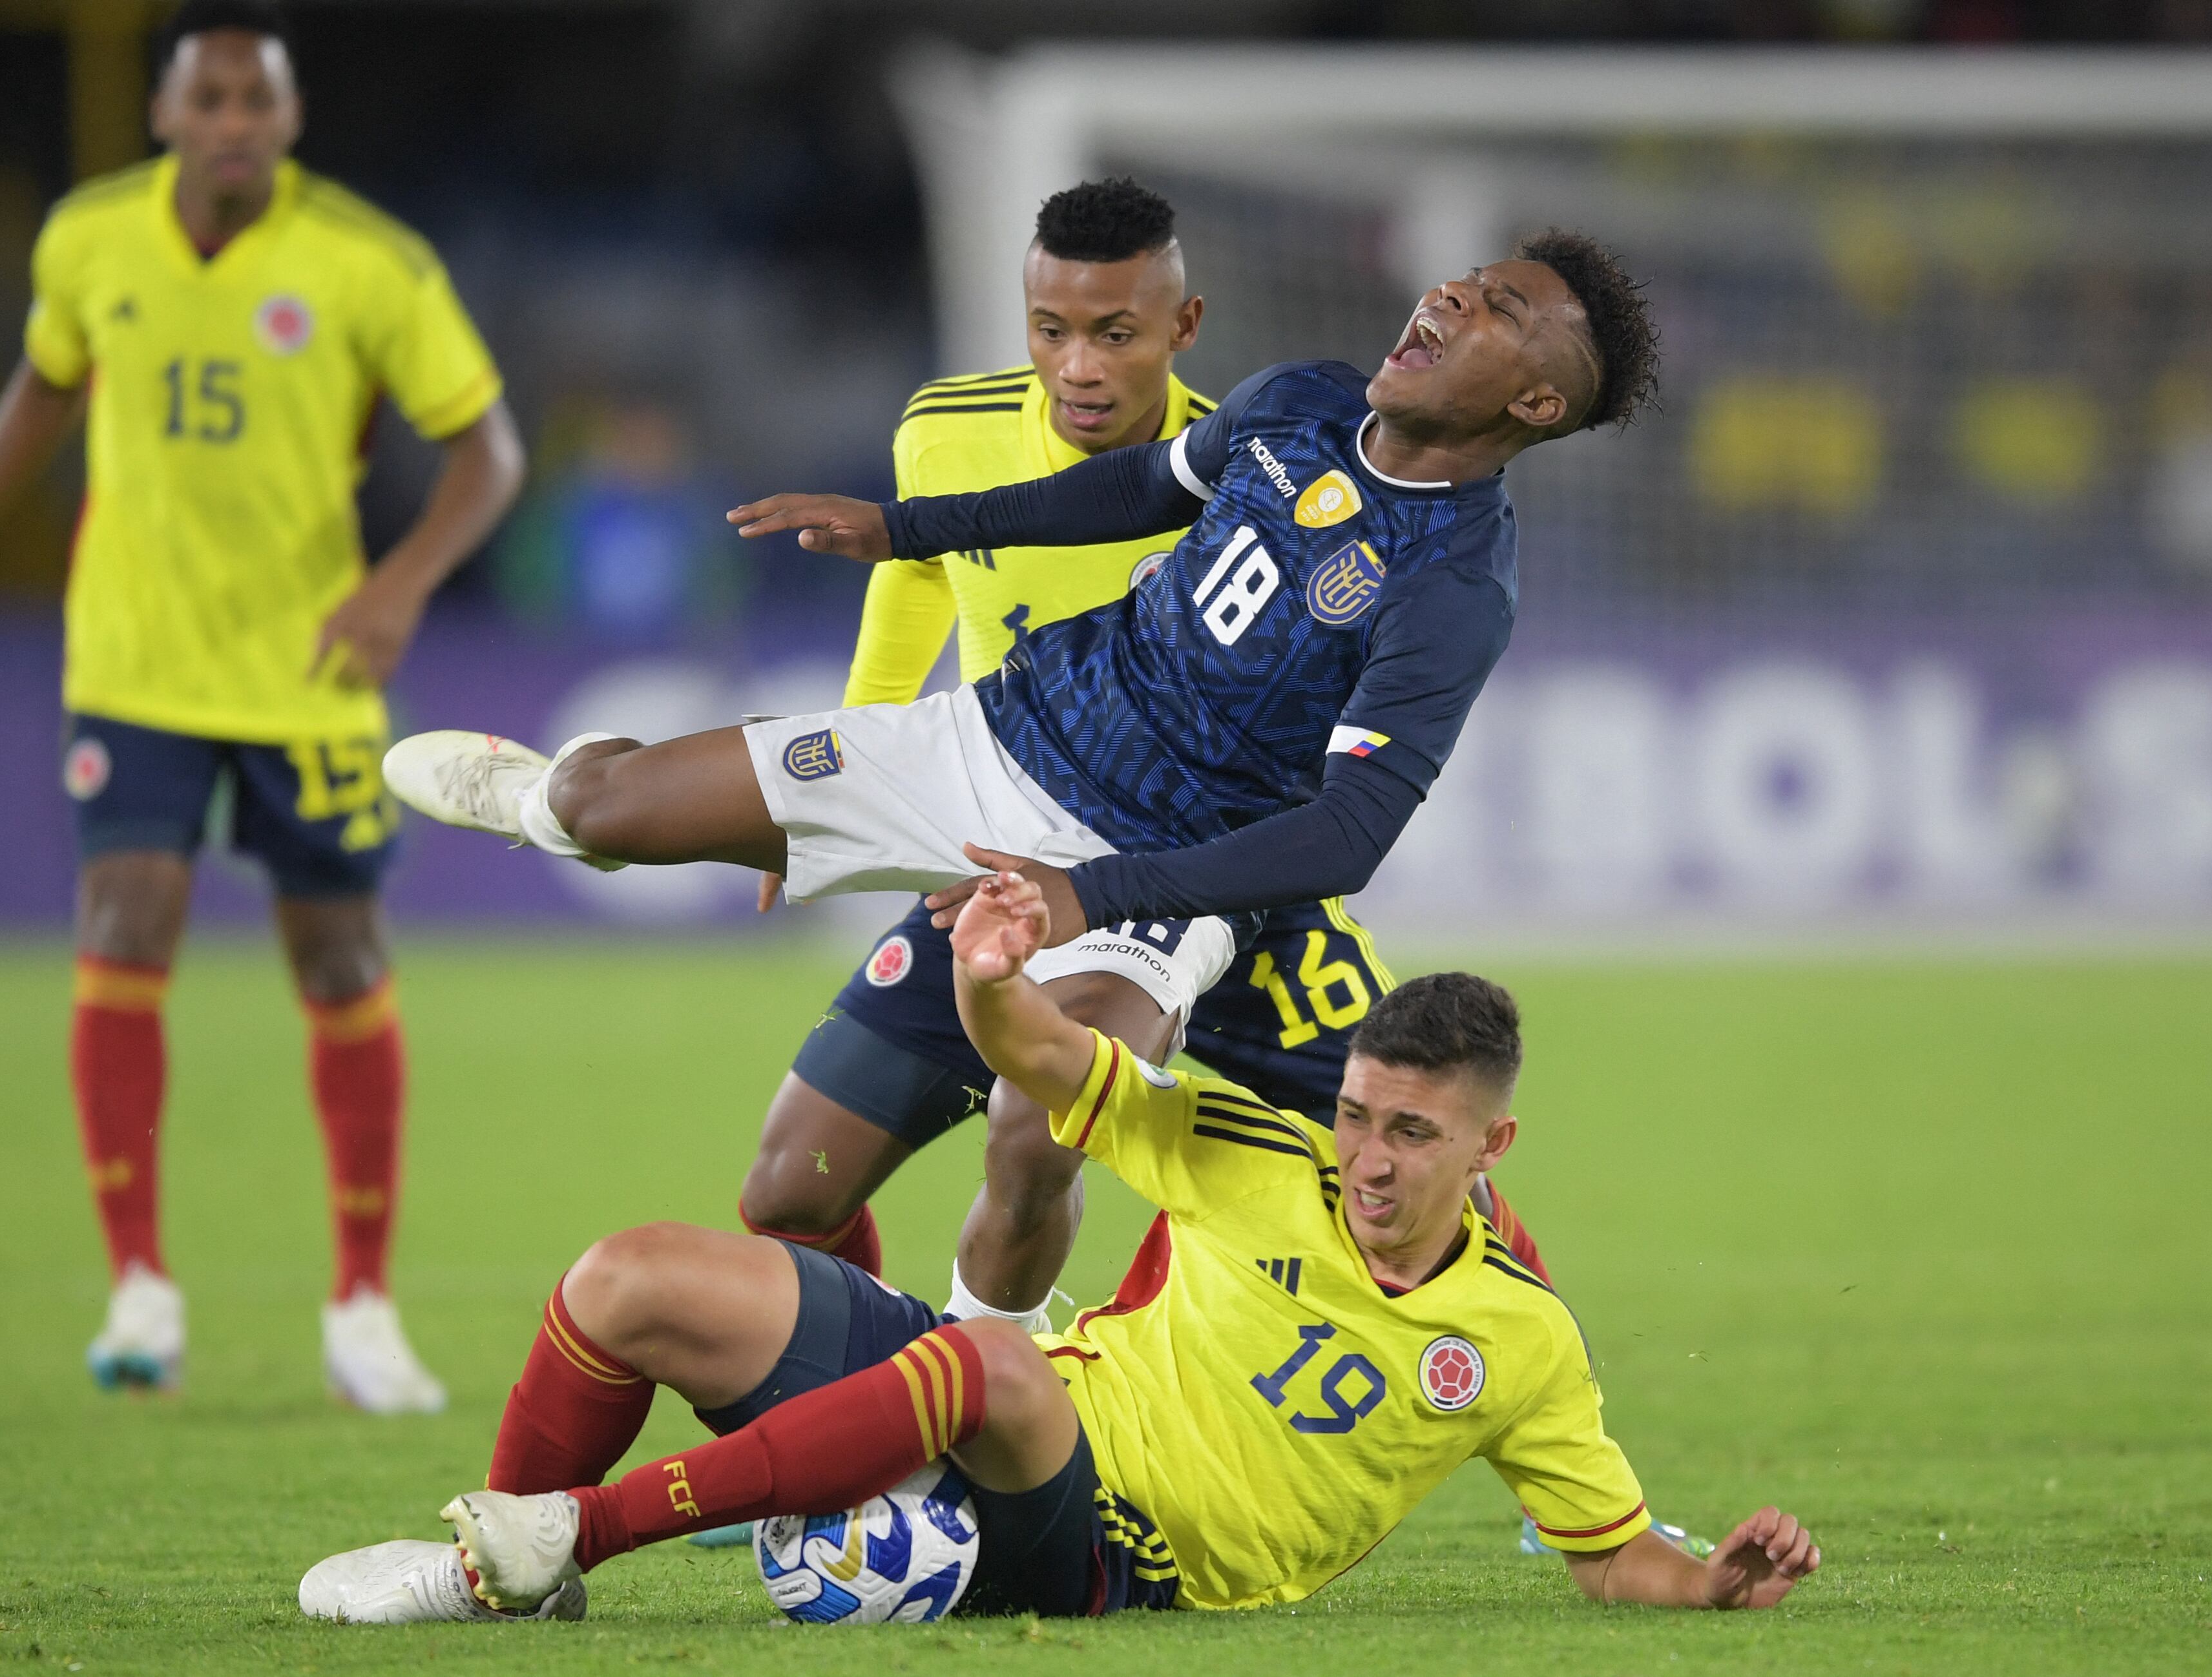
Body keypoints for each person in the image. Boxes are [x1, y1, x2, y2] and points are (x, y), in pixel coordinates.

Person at [385, 227, 1655, 1326]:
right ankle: (537, 800)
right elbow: (1135, 490)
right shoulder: (1298, 400)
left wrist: (1086, 894)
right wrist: (907, 527)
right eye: (1466, 281)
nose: (1448, 297)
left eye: (1498, 310)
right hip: (1002, 735)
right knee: (737, 1086)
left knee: (1035, 1123)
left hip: (1156, 882)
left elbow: (1351, 832)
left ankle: (985, 1384)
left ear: (1536, 404)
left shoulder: (1452, 585)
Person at [297, 870, 1817, 1623]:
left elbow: (1613, 1550)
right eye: (1355, 1114)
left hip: (1105, 1546)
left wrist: (1715, 1579)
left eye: (1409, 1136)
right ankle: (535, 1560)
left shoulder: (1520, 1340)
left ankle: (548, 1541)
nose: (1363, 1157)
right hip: (1003, 1396)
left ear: (1490, 1148)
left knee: (996, 1371)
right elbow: (1042, 1060)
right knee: (629, 1272)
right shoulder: (1253, 1152)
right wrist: (986, 974)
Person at [735, 179, 1551, 1334]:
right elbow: (914, 575)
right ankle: (863, 1428)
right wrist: (831, 792)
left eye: (1116, 336)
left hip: (1209, 887)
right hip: (1006, 838)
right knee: (786, 1190)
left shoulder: (1270, 459)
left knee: (1416, 1151)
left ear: (1183, 329)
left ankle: (1558, 1418)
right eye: (1053, 333)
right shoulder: (945, 431)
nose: (1081, 368)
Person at [0, 0, 524, 1409]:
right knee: (122, 924)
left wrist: (405, 581)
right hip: (132, 659)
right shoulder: (88, 239)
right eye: (211, 99)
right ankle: (139, 1285)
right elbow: (42, 391)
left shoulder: (367, 262)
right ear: (166, 112)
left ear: (290, 119)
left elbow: (487, 450)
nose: (235, 123)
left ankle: (362, 1303)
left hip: (308, 673)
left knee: (341, 960)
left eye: (260, 101)